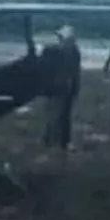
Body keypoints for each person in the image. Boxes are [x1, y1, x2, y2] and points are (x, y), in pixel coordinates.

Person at [43, 24, 82, 152]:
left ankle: (61, 141)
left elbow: (74, 71)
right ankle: (51, 140)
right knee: (55, 114)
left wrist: (74, 86)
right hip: (57, 87)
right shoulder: (56, 50)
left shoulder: (73, 51)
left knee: (63, 115)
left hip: (66, 87)